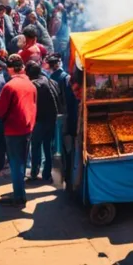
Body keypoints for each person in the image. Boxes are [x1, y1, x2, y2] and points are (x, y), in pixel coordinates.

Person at [0, 55, 36, 207]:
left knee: (16, 164)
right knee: (22, 162)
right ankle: (20, 192)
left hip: (13, 130)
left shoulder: (9, 86)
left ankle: (19, 197)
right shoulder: (30, 84)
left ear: (10, 69)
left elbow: (0, 111)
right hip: (27, 128)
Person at [27, 61, 62, 183]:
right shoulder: (53, 82)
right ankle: (47, 174)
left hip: (39, 121)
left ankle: (34, 173)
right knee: (48, 148)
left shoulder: (34, 85)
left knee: (36, 147)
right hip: (52, 120)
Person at [48, 54, 76, 188]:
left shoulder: (51, 79)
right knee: (66, 147)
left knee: (58, 147)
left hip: (56, 115)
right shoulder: (65, 77)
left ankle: (62, 177)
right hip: (65, 115)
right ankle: (67, 176)